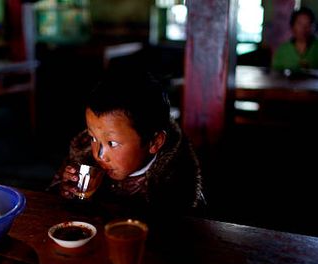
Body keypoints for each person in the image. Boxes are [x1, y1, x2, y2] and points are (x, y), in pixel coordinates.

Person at [47, 70, 205, 218]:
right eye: (93, 138)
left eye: (112, 143)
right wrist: (66, 191)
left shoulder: (178, 188)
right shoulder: (83, 155)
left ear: (154, 142)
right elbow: (50, 204)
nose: (99, 155)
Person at [272, 6, 318, 72]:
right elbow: (275, 72)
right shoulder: (283, 49)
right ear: (292, 26)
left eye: (308, 24)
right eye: (300, 24)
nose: (304, 28)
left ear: (313, 27)